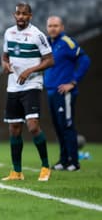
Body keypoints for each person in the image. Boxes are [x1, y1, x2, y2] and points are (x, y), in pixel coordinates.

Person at [1, 2, 54, 181]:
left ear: (30, 16)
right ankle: (17, 172)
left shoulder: (37, 35)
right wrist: (5, 65)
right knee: (14, 128)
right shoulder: (8, 33)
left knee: (32, 126)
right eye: (18, 14)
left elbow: (49, 60)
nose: (21, 17)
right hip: (13, 85)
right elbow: (4, 56)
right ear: (14, 15)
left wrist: (29, 71)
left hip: (32, 84)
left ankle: (46, 166)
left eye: (24, 14)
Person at [44, 16, 91, 171]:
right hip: (51, 91)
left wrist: (73, 82)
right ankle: (64, 160)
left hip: (64, 92)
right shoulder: (47, 43)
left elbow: (85, 60)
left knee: (67, 126)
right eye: (50, 26)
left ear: (62, 27)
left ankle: (74, 161)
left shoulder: (67, 42)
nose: (52, 28)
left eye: (56, 26)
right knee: (58, 127)